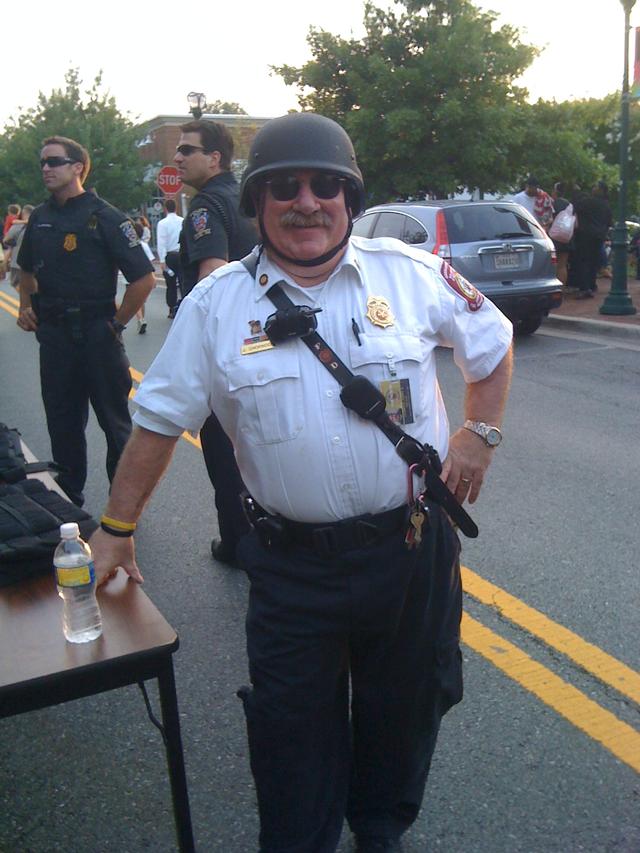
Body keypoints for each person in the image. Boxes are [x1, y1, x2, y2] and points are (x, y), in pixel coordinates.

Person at [90, 113, 513, 853]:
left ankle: (381, 826)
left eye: (326, 186)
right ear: (258, 203)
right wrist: (116, 529)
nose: (306, 201)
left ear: (349, 197)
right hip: (290, 565)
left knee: (406, 705)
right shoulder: (216, 307)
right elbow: (157, 420)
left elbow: (493, 343)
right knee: (292, 727)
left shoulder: (408, 275)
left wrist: (478, 433)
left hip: (410, 547)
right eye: (284, 186)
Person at [16, 135, 156, 507]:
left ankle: (123, 506)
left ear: (77, 167)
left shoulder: (106, 217)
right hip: (56, 336)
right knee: (62, 423)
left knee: (115, 425)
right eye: (42, 162)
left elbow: (144, 279)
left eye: (54, 161)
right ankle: (68, 500)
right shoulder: (41, 218)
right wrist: (24, 305)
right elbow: (25, 270)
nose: (46, 168)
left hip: (98, 333)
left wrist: (118, 324)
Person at [174, 119, 258, 566]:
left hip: (228, 347)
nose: (178, 157)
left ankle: (238, 542)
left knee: (223, 453)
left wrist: (202, 356)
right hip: (263, 339)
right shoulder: (247, 200)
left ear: (215, 159)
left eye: (187, 150)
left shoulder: (208, 205)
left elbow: (212, 277)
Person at [572, 181, 613, 299]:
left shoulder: (588, 202)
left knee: (584, 261)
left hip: (585, 235)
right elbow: (609, 222)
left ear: (601, 190)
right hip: (599, 236)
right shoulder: (606, 205)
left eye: (595, 186)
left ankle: (585, 288)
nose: (593, 187)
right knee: (594, 262)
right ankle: (591, 285)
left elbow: (575, 206)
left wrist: (576, 192)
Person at [156, 198, 183, 318]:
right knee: (183, 282)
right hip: (182, 254)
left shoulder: (162, 224)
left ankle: (172, 308)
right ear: (176, 208)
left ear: (165, 209)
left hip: (170, 256)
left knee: (171, 284)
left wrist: (162, 260)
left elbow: (161, 242)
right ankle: (184, 306)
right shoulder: (182, 221)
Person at [3, 204, 34, 290]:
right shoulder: (38, 226)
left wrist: (5, 263)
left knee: (16, 283)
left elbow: (6, 240)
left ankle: (27, 300)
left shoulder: (17, 226)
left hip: (17, 262)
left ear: (24, 214)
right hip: (34, 262)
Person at [133, 221, 156, 333]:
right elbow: (151, 262)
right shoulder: (144, 245)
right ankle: (142, 318)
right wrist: (153, 277)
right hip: (143, 276)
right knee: (141, 299)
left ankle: (140, 319)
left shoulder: (129, 245)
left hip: (131, 276)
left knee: (134, 299)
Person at [550, 181, 572, 286]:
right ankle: (562, 287)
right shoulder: (569, 204)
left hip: (555, 237)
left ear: (555, 191)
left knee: (553, 264)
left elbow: (550, 219)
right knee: (562, 265)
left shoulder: (554, 203)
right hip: (566, 236)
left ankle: (555, 287)